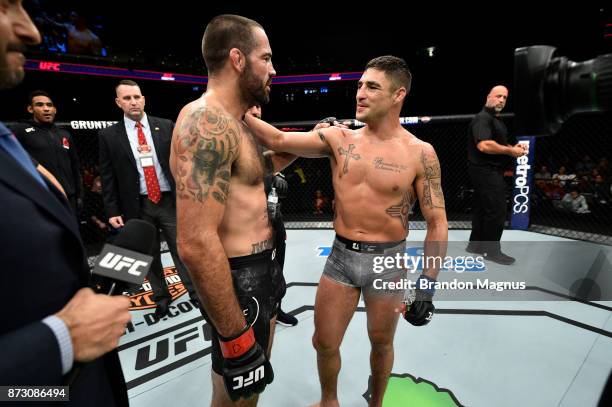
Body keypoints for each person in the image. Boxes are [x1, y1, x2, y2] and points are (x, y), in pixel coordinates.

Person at [245, 55, 449, 407]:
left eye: (372, 86)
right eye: (359, 85)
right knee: (323, 342)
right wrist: (240, 110)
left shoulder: (420, 153)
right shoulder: (339, 139)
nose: (361, 93)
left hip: (388, 262)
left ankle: (376, 404)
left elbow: (438, 222)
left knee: (382, 343)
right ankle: (329, 401)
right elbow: (278, 139)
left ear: (398, 95)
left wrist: (427, 286)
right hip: (340, 257)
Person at [0, 2, 131, 405]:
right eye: (6, 6)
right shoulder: (22, 138)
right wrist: (61, 339)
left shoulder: (9, 144)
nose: (32, 32)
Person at [170, 15, 284, 406]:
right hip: (238, 280)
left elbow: (253, 175)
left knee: (246, 393)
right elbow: (196, 243)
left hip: (263, 273)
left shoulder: (238, 123)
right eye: (266, 58)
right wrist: (235, 339)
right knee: (239, 397)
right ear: (238, 59)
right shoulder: (205, 122)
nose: (273, 69)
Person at [98, 79, 195, 317]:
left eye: (137, 97)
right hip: (137, 204)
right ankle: (161, 296)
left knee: (182, 249)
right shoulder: (109, 135)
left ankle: (194, 291)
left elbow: (183, 162)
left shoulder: (165, 125)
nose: (133, 102)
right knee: (147, 256)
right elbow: (107, 175)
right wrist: (112, 211)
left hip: (169, 200)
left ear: (144, 99)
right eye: (127, 98)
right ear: (118, 102)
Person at [465, 85, 527, 265]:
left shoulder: (495, 119)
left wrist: (514, 149)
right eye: (498, 96)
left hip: (486, 170)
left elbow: (498, 144)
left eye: (505, 97)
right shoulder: (483, 118)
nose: (501, 100)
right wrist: (510, 151)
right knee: (497, 211)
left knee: (483, 208)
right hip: (486, 170)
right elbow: (484, 145)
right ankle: (492, 251)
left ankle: (475, 245)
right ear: (488, 97)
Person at [249, 105, 299, 328]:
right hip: (247, 221)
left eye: (258, 106)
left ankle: (276, 309)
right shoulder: (231, 138)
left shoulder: (265, 135)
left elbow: (272, 162)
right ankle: (254, 313)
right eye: (250, 105)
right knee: (254, 273)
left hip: (271, 214)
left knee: (278, 263)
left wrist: (277, 176)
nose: (255, 111)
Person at [11, 90, 83, 216]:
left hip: (68, 197)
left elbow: (75, 167)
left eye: (49, 105)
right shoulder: (20, 130)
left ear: (54, 109)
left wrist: (79, 195)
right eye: (40, 105)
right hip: (39, 196)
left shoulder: (64, 134)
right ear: (30, 109)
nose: (46, 109)